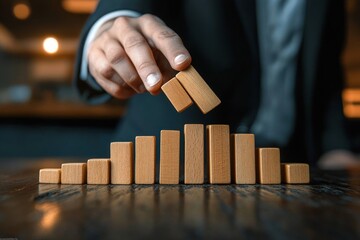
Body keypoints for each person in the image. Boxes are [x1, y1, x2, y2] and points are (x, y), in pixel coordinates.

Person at [74, 0, 353, 166]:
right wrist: (111, 30)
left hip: (288, 164)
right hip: (172, 166)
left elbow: (324, 71)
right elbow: (126, 7)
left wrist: (336, 148)